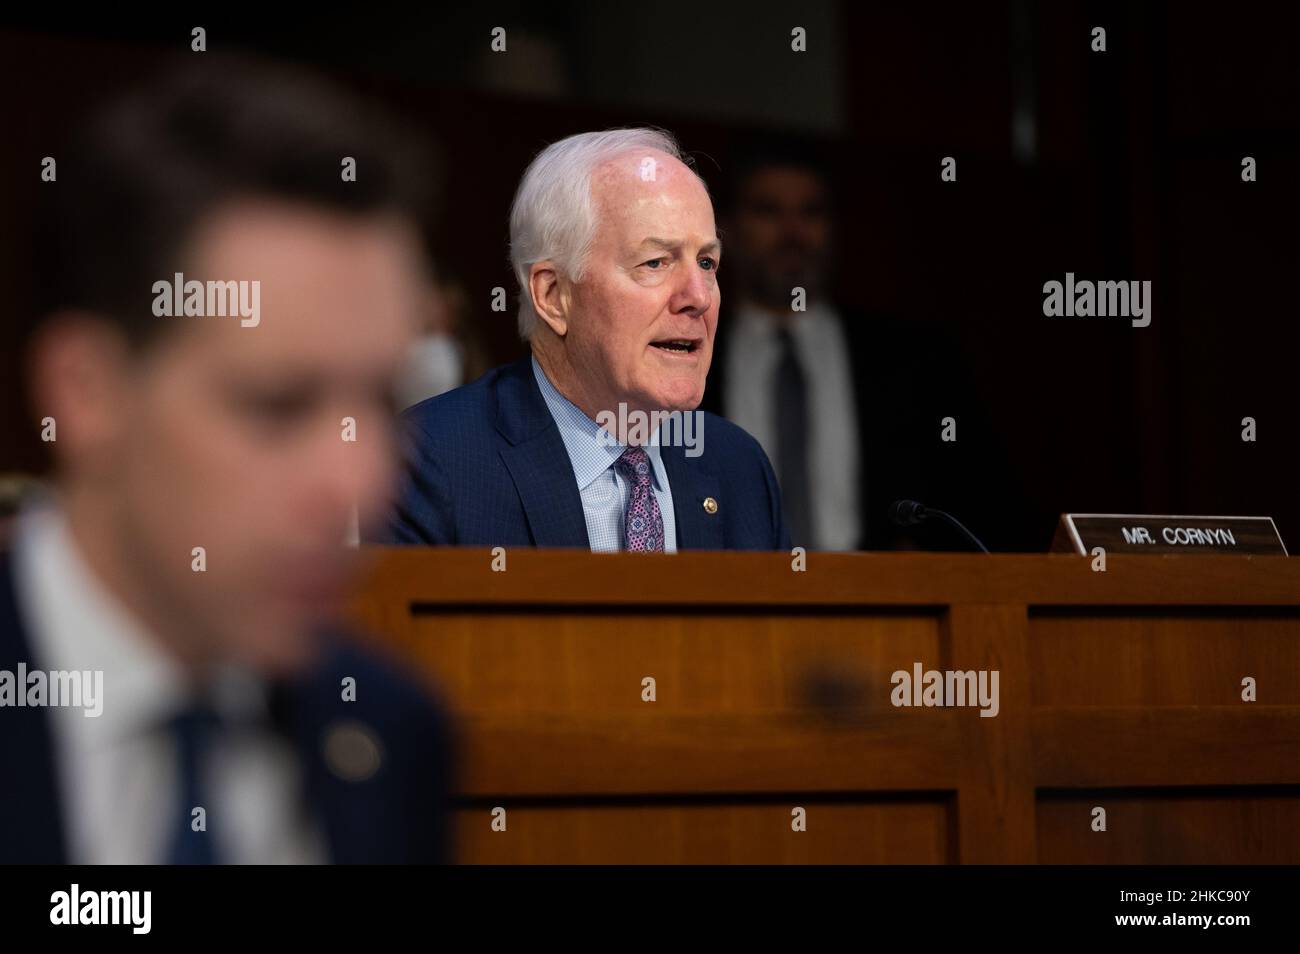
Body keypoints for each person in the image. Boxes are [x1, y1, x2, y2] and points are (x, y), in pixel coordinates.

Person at [1, 58, 452, 863]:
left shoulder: (392, 734)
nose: (359, 483)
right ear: (86, 391)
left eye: (380, 400)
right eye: (276, 406)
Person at [381, 128, 789, 552]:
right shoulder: (428, 464)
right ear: (554, 296)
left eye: (707, 262)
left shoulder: (738, 468)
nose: (699, 297)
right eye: (655, 262)